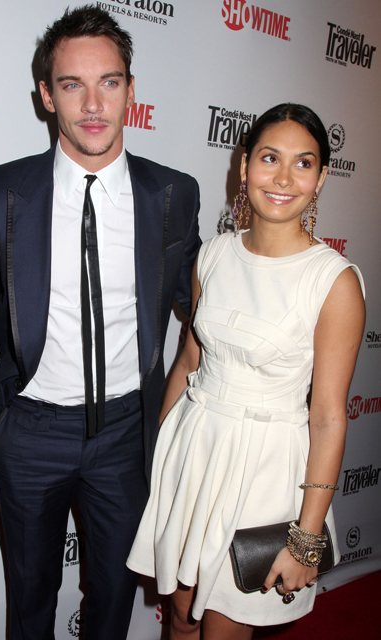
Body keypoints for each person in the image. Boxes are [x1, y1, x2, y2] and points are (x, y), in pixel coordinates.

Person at [0, 5, 200, 640]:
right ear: (47, 95)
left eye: (109, 82)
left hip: (125, 435)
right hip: (28, 431)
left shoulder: (172, 195)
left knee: (114, 600)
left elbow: (203, 307)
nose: (93, 105)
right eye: (72, 85)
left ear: (131, 91)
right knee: (30, 600)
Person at [127, 103, 365, 639]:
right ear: (244, 166)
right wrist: (162, 460)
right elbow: (190, 360)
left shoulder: (334, 281)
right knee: (181, 619)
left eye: (303, 163)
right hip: (195, 453)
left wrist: (306, 539)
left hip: (266, 472)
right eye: (270, 158)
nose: (283, 178)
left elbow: (328, 417)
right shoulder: (213, 255)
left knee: (224, 629)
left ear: (322, 178)